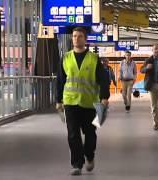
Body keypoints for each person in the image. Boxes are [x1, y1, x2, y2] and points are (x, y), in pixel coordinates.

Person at [56, 27, 110, 175]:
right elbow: (60, 80)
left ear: (85, 39)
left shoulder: (94, 59)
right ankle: (77, 164)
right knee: (73, 134)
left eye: (80, 36)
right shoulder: (66, 57)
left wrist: (104, 97)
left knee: (90, 133)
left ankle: (90, 155)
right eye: (74, 36)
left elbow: (103, 80)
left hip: (89, 103)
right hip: (70, 102)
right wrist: (58, 100)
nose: (76, 39)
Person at [140, 44, 158, 131]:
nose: (157, 51)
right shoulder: (148, 60)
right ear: (152, 50)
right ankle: (156, 123)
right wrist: (146, 68)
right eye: (155, 49)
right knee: (154, 106)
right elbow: (141, 70)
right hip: (152, 84)